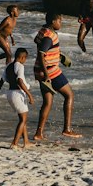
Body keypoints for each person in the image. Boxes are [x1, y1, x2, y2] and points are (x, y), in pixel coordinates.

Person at [33, 12, 80, 140]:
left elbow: (37, 42)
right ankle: (67, 129)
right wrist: (47, 75)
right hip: (50, 71)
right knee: (69, 95)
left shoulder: (43, 30)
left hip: (39, 70)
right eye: (60, 21)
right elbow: (42, 54)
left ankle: (39, 133)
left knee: (47, 102)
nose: (61, 23)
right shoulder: (50, 36)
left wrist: (58, 54)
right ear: (53, 22)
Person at [4, 48, 34, 148]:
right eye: (25, 58)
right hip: (17, 94)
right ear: (22, 57)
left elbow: (1, 81)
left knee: (22, 119)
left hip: (9, 93)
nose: (25, 61)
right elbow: (20, 81)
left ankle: (26, 142)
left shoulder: (8, 66)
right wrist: (29, 94)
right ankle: (14, 143)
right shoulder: (20, 66)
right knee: (23, 120)